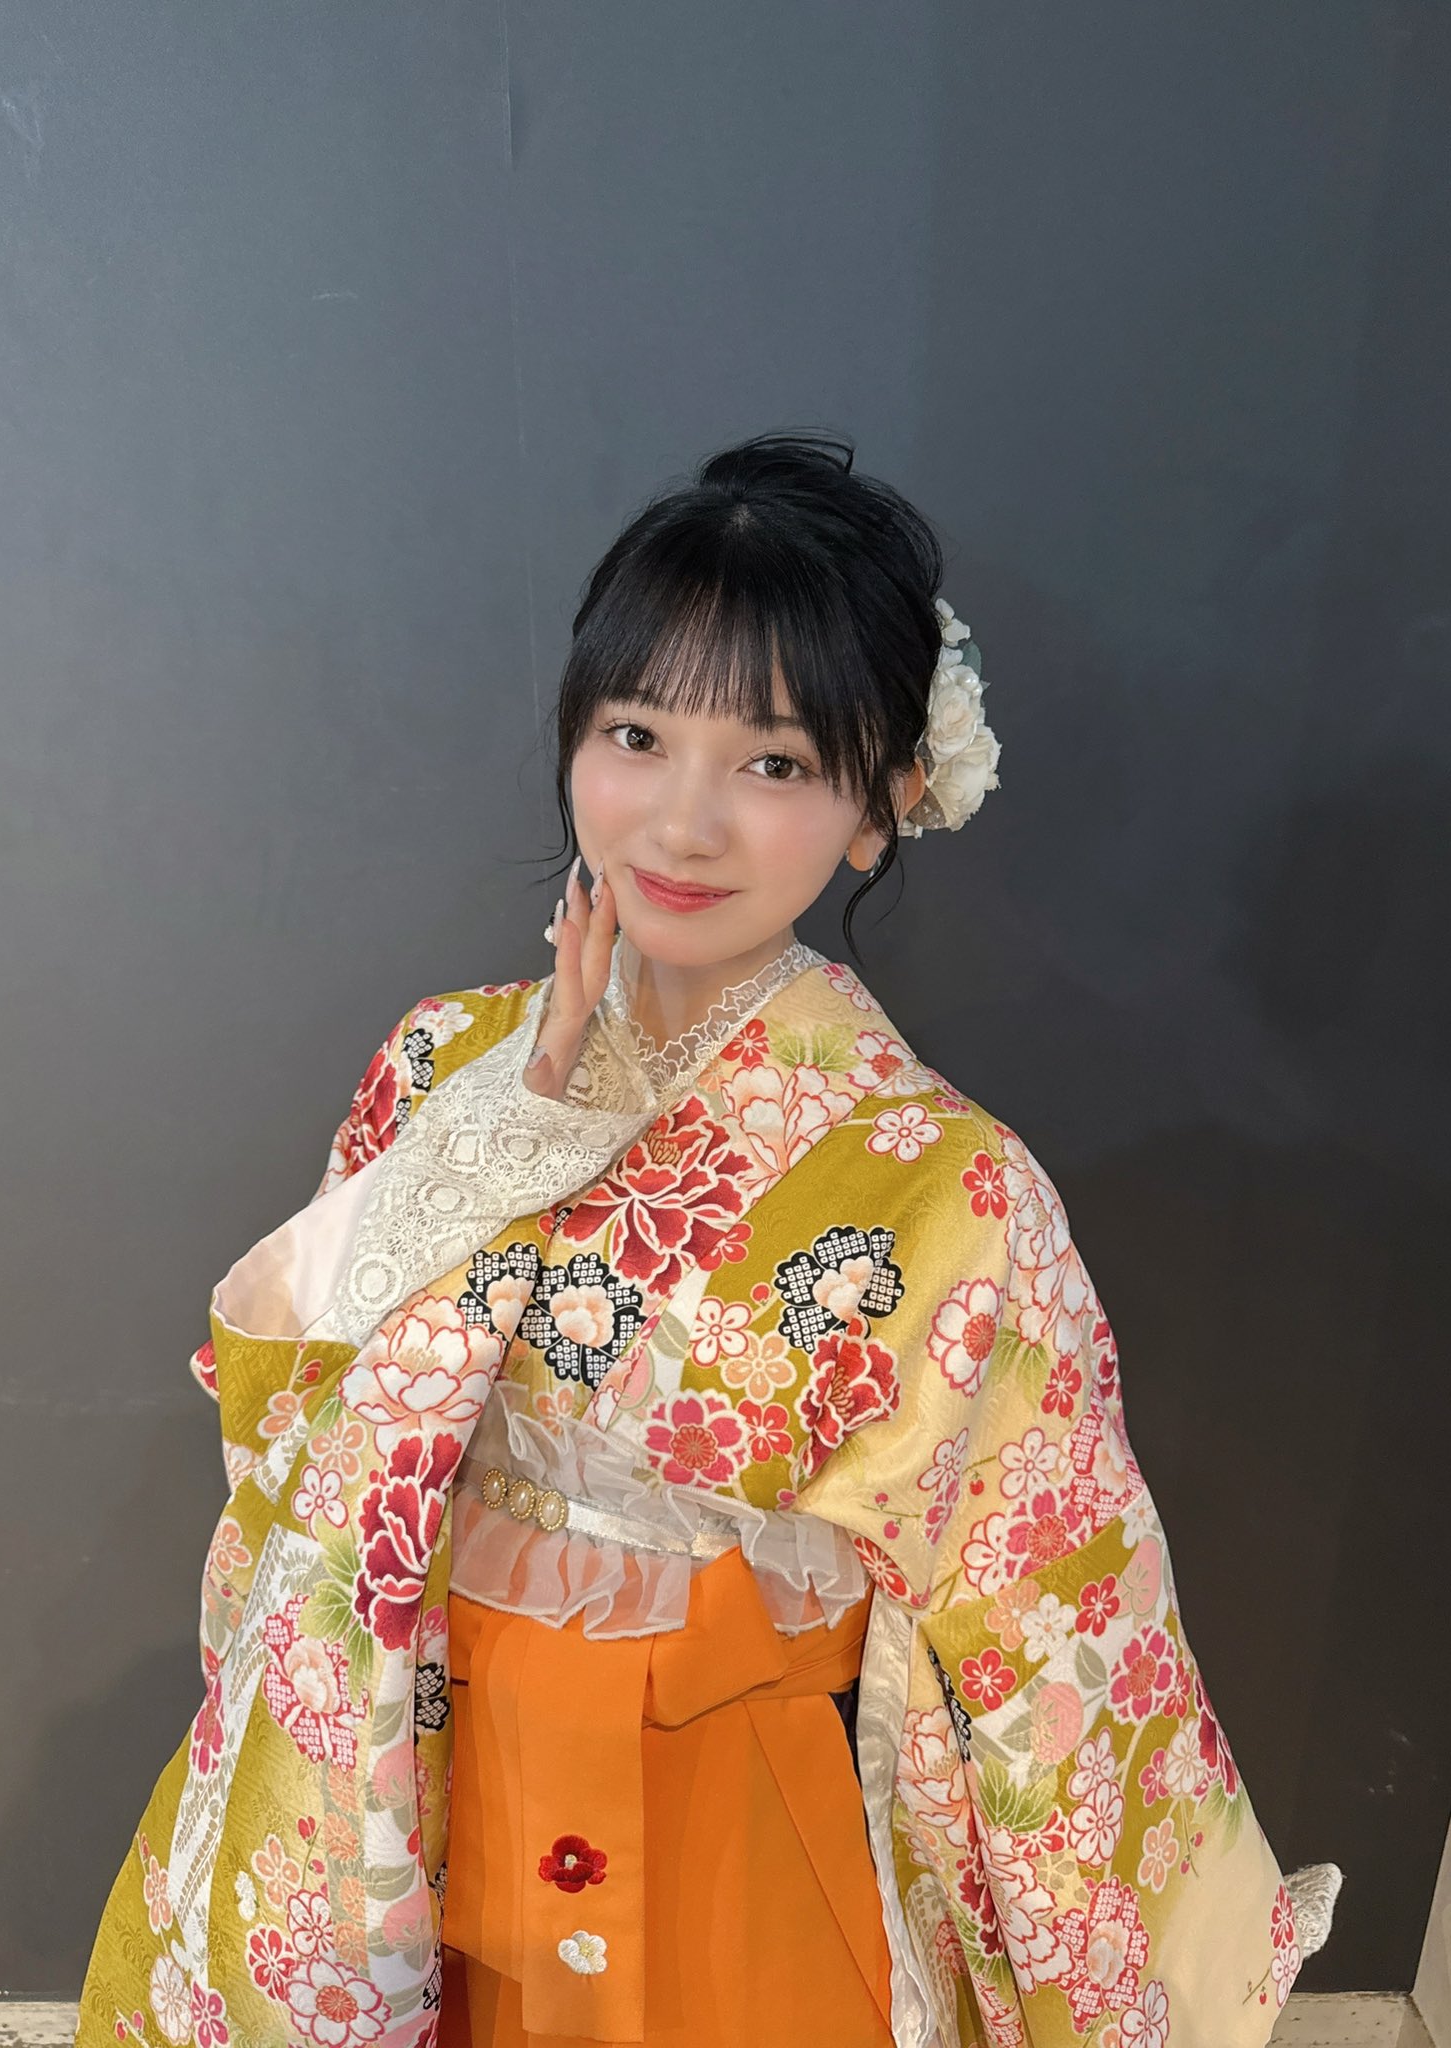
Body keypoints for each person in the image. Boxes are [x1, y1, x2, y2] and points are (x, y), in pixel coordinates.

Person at [76, 434, 1336, 2048]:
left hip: (730, 1813)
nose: (681, 823)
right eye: (636, 735)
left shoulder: (952, 1186)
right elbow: (294, 1407)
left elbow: (1052, 1617)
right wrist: (511, 1129)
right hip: (420, 1790)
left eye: (776, 764)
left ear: (884, 805)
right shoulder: (443, 1064)